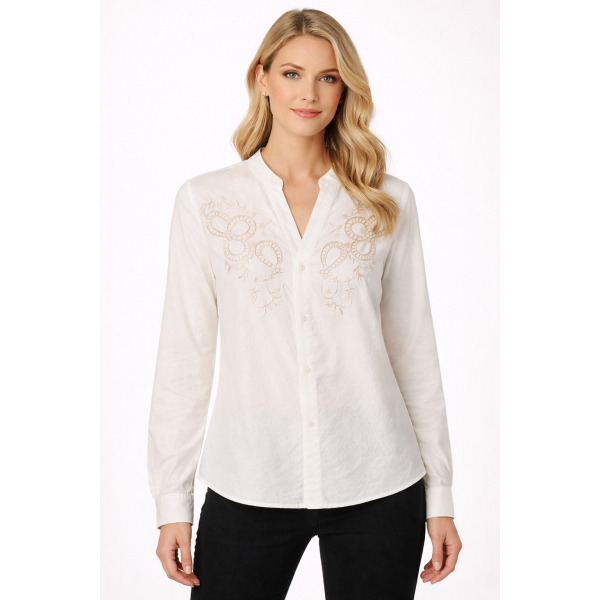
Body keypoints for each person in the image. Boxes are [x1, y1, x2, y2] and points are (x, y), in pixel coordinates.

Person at [147, 8, 462, 599]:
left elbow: (414, 351)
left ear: (345, 89)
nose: (309, 94)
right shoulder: (206, 203)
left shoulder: (387, 201)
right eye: (292, 73)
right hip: (250, 478)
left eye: (327, 77)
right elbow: (183, 360)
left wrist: (439, 495)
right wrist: (172, 502)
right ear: (262, 78)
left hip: (378, 479)